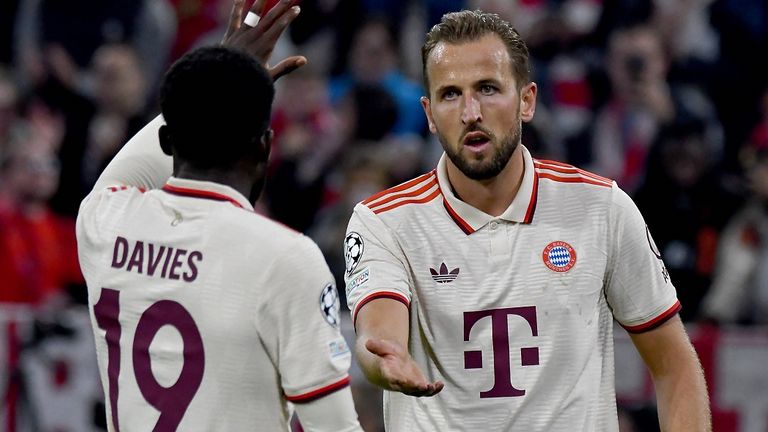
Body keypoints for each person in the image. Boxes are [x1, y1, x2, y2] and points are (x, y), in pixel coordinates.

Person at [344, 9, 711, 431]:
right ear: (428, 114)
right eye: (450, 94)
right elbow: (379, 331)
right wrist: (385, 357)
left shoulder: (601, 206)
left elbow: (674, 363)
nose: (470, 112)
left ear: (527, 100)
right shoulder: (382, 221)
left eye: (487, 89)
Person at [76, 1, 362, 430]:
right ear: (266, 147)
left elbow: (129, 167)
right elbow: (333, 427)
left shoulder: (104, 220)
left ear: (169, 139)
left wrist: (221, 73)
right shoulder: (286, 257)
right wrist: (231, 72)